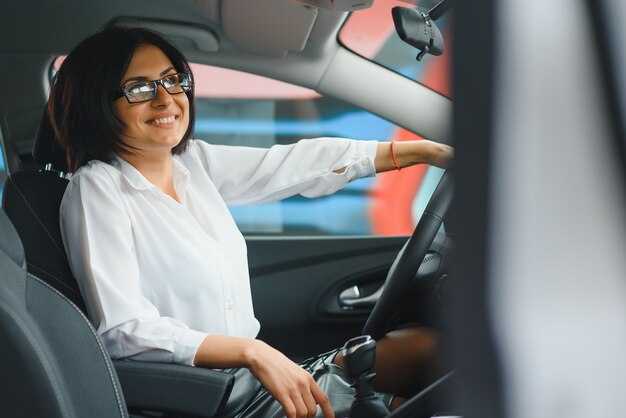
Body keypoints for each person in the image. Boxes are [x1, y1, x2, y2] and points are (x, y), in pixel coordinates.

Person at [52, 27, 453, 418]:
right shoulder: (97, 189)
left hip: (248, 384)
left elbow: (291, 166)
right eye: (139, 88)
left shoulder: (192, 164)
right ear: (98, 104)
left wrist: (423, 151)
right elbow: (123, 330)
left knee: (427, 350)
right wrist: (251, 351)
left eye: (173, 80)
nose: (165, 99)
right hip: (206, 399)